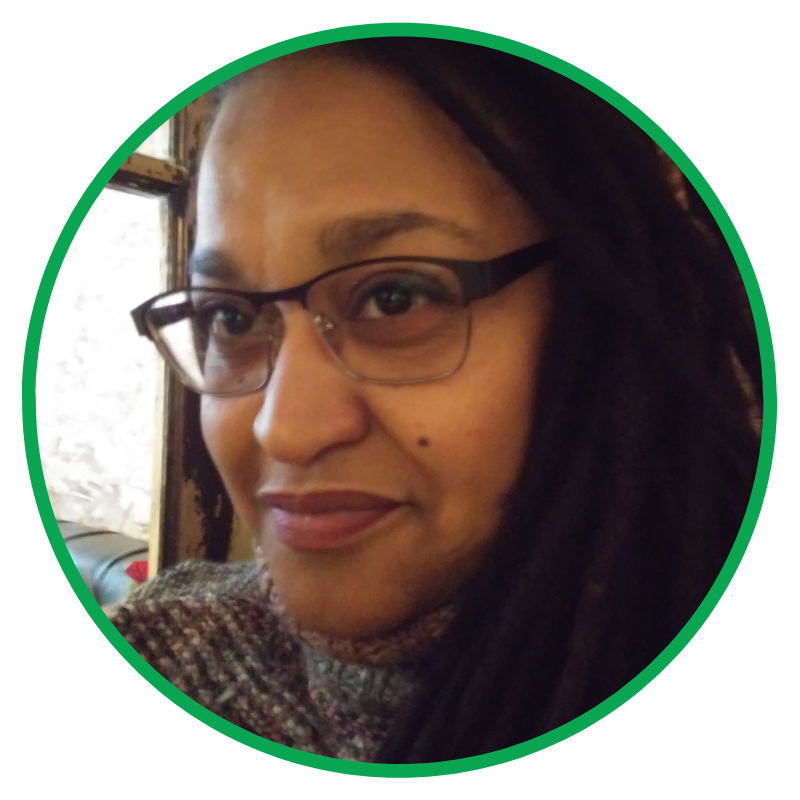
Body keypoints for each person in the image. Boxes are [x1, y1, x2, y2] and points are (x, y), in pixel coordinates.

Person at [111, 38, 762, 762]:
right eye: (229, 317)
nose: (284, 430)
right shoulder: (172, 655)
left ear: (607, 317)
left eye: (394, 298)